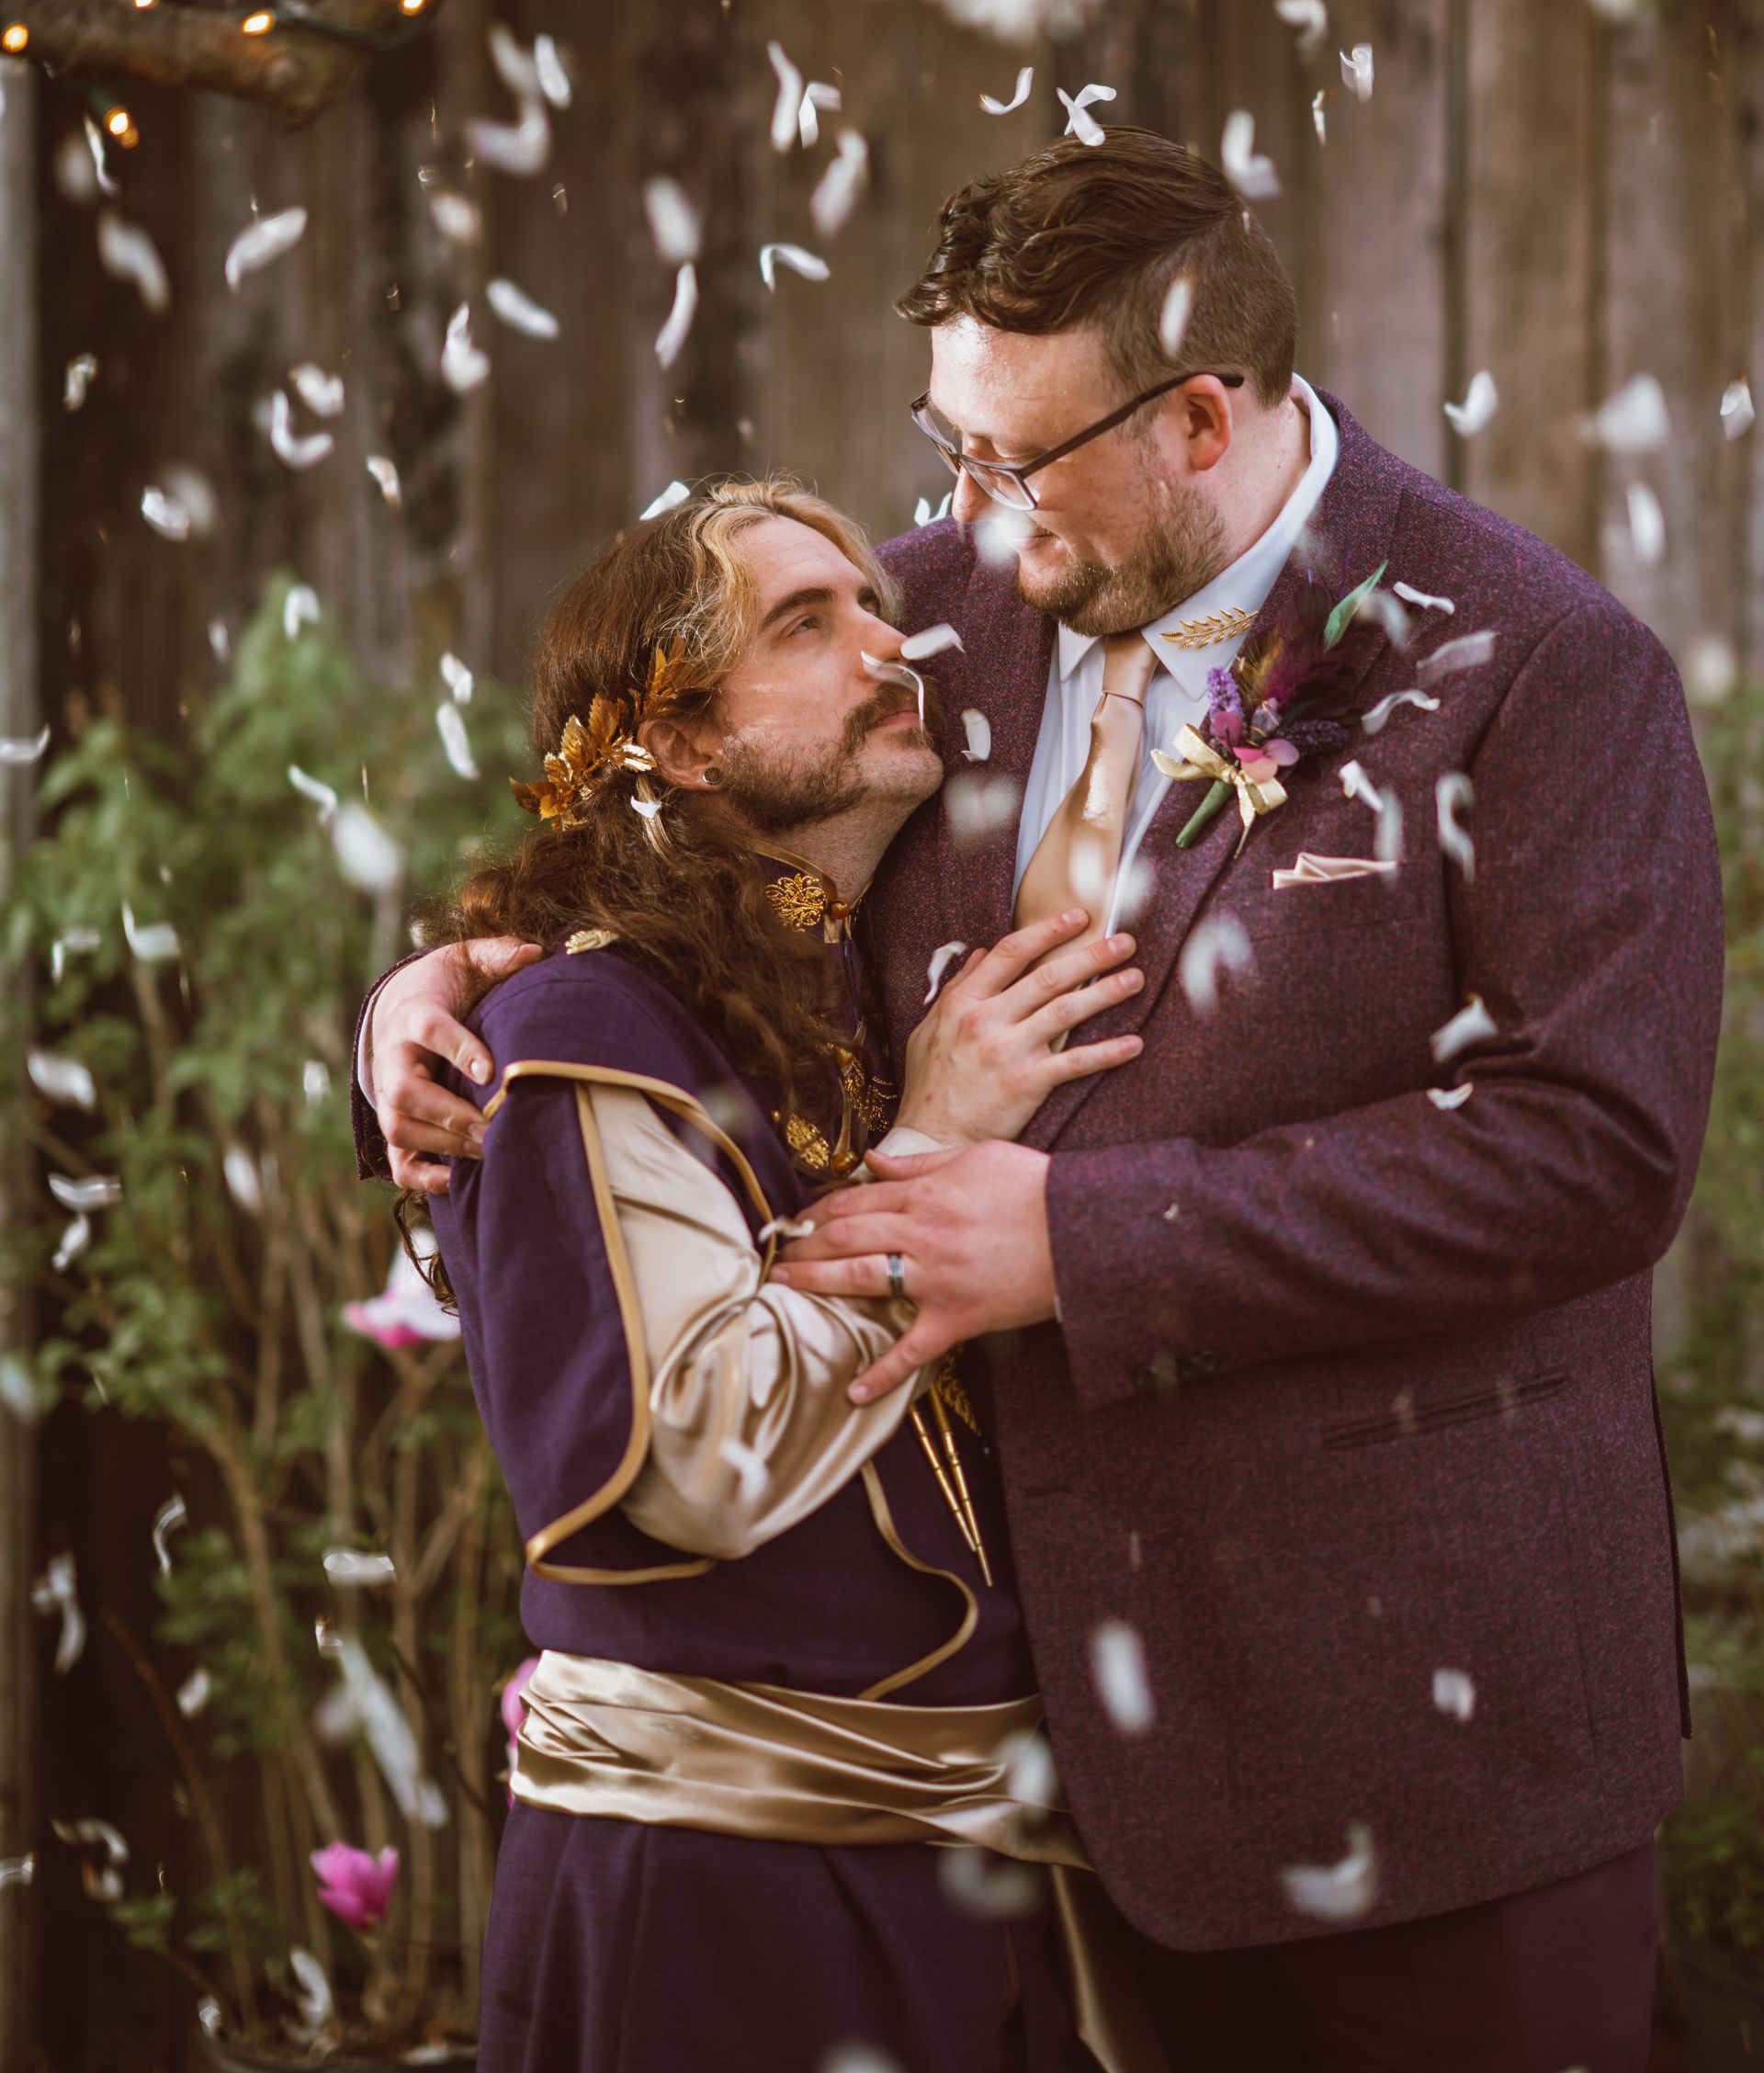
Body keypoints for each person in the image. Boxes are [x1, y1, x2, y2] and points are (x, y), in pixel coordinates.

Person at [364, 129, 1724, 2073]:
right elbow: (677, 865)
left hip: (1429, 1754)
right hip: (1026, 1784)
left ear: (1196, 418)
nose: (965, 516)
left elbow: (1593, 1148)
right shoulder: (922, 621)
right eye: (946, 445)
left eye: (1015, 459)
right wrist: (432, 990)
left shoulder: (1537, 667)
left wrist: (1075, 1243)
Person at [387, 478, 1162, 2073]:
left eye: (875, 605)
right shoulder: (582, 1030)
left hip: (952, 1874)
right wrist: (937, 1138)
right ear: (678, 742)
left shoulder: (823, 989)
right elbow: (687, 1454)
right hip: (721, 1898)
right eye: (804, 625)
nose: (889, 644)